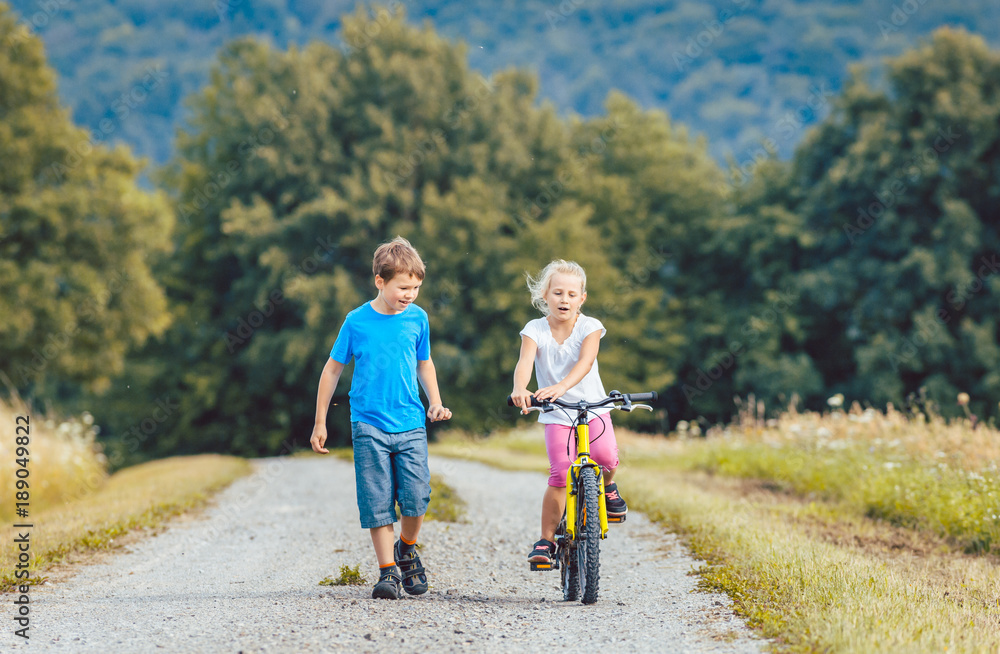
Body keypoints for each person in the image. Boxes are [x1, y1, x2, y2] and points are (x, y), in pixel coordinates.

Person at [310, 236, 452, 599]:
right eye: (403, 287)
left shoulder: (418, 319)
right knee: (377, 501)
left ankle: (407, 548)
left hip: (410, 421)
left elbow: (424, 363)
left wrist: (435, 401)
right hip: (368, 423)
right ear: (380, 281)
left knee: (417, 497)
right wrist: (320, 421)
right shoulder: (357, 321)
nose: (411, 294)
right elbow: (332, 370)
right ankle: (387, 571)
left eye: (416, 287)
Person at [509, 259, 627, 566]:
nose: (565, 299)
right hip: (557, 413)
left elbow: (585, 362)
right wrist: (521, 389)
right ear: (545, 295)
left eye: (572, 294)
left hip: (593, 408)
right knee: (561, 473)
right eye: (558, 292)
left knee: (607, 458)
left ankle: (609, 487)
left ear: (582, 299)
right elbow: (524, 363)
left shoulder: (590, 326)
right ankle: (546, 541)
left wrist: (561, 386)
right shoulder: (535, 329)